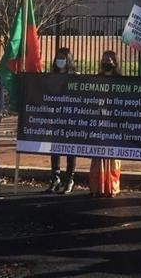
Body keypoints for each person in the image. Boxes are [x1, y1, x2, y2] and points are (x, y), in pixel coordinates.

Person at [88, 50, 122, 198]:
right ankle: (98, 187)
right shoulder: (96, 79)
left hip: (114, 123)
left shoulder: (120, 80)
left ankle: (112, 186)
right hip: (99, 121)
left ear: (115, 62)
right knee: (98, 155)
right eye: (104, 59)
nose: (107, 61)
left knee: (113, 156)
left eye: (110, 59)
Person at [48, 46, 78, 194]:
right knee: (55, 149)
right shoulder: (51, 76)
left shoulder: (75, 76)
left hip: (70, 119)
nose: (60, 60)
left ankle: (69, 179)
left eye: (63, 58)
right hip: (56, 117)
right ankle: (55, 178)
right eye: (58, 57)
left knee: (70, 149)